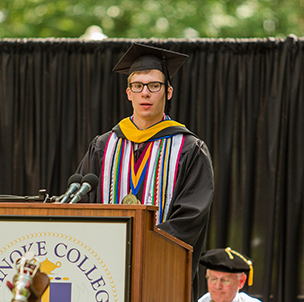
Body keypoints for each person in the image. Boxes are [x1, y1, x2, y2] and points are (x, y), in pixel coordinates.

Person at [76, 43, 214, 262]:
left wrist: (146, 244)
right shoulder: (104, 145)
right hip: (105, 263)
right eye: (138, 86)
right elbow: (82, 205)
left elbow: (192, 215)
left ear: (168, 92)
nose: (145, 93)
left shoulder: (188, 148)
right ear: (129, 93)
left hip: (161, 263)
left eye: (154, 86)